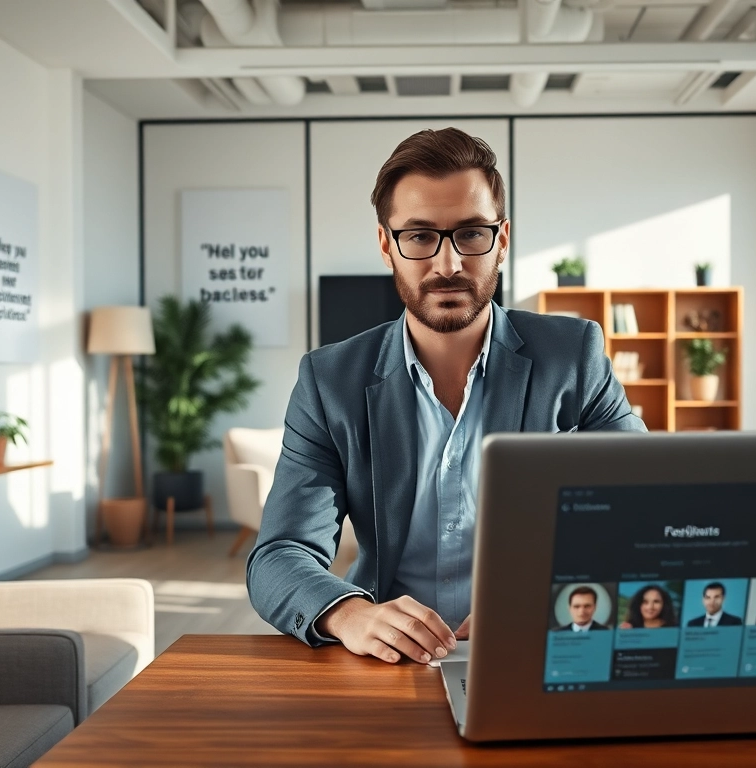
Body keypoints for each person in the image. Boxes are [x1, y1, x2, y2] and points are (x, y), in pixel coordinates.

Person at [247, 128, 647, 666]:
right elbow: (279, 553)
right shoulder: (329, 381)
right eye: (419, 237)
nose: (448, 264)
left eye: (471, 234)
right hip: (384, 662)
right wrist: (348, 614)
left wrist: (542, 600)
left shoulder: (574, 356)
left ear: (502, 239)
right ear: (387, 244)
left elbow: (640, 511)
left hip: (540, 647)